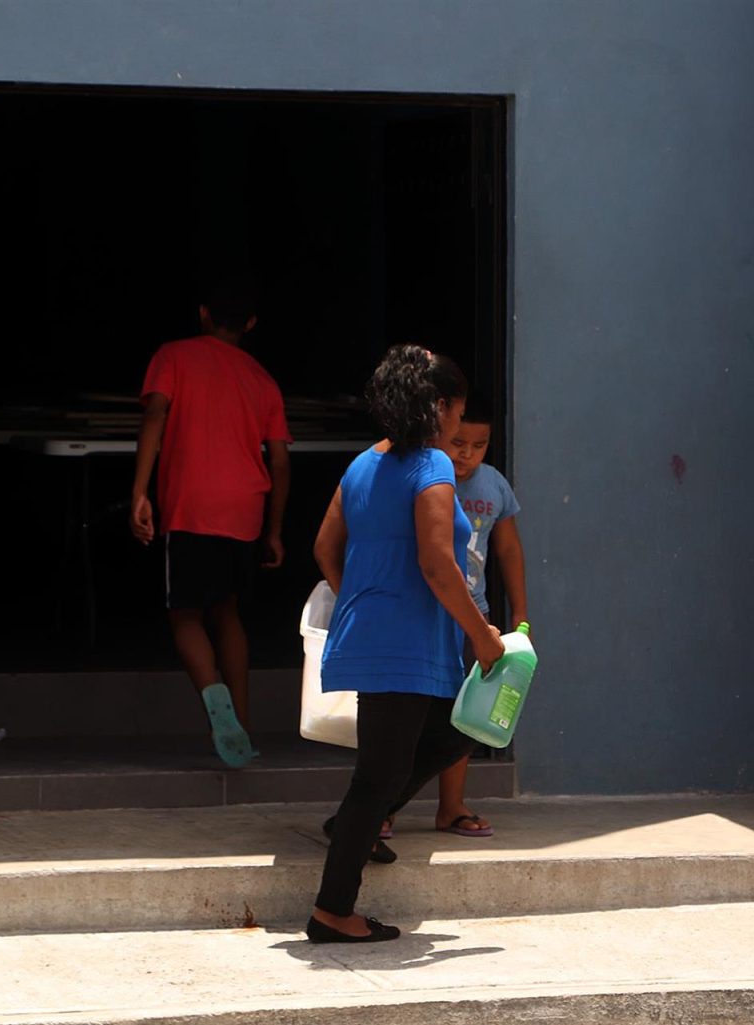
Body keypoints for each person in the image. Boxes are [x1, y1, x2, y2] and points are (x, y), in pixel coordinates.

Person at [307, 345, 505, 944]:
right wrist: (483, 636)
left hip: (378, 634)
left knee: (455, 732)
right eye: (456, 411)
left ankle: (354, 827)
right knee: (381, 773)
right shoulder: (432, 468)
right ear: (439, 407)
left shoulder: (363, 464)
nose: (457, 425)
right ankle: (332, 910)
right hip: (408, 643)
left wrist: (362, 600)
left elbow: (324, 547)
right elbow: (438, 564)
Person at [130, 276, 290, 768]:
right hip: (245, 508)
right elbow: (280, 461)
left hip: (191, 503)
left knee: (185, 615)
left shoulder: (173, 356)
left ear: (203, 314)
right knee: (228, 613)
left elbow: (155, 413)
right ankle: (240, 723)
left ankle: (213, 694)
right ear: (251, 323)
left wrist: (139, 490)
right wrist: (275, 530)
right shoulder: (262, 379)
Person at [380, 397, 527, 840]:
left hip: (473, 618)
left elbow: (508, 550)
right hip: (421, 614)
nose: (466, 454)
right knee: (410, 717)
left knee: (465, 716)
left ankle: (451, 806)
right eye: (458, 442)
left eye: (479, 445)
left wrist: (519, 613)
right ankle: (382, 809)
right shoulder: (422, 477)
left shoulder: (494, 487)